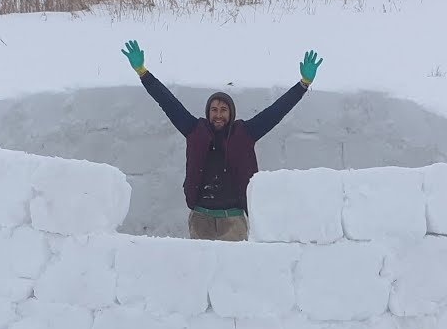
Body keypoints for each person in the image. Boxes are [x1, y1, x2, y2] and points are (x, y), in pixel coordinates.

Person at [121, 39, 322, 241]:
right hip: (201, 219)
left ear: (231, 113)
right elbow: (167, 102)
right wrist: (142, 72)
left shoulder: (244, 134)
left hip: (233, 221)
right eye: (214, 110)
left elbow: (276, 111)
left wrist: (303, 85)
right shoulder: (194, 131)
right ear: (208, 113)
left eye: (223, 110)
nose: (218, 115)